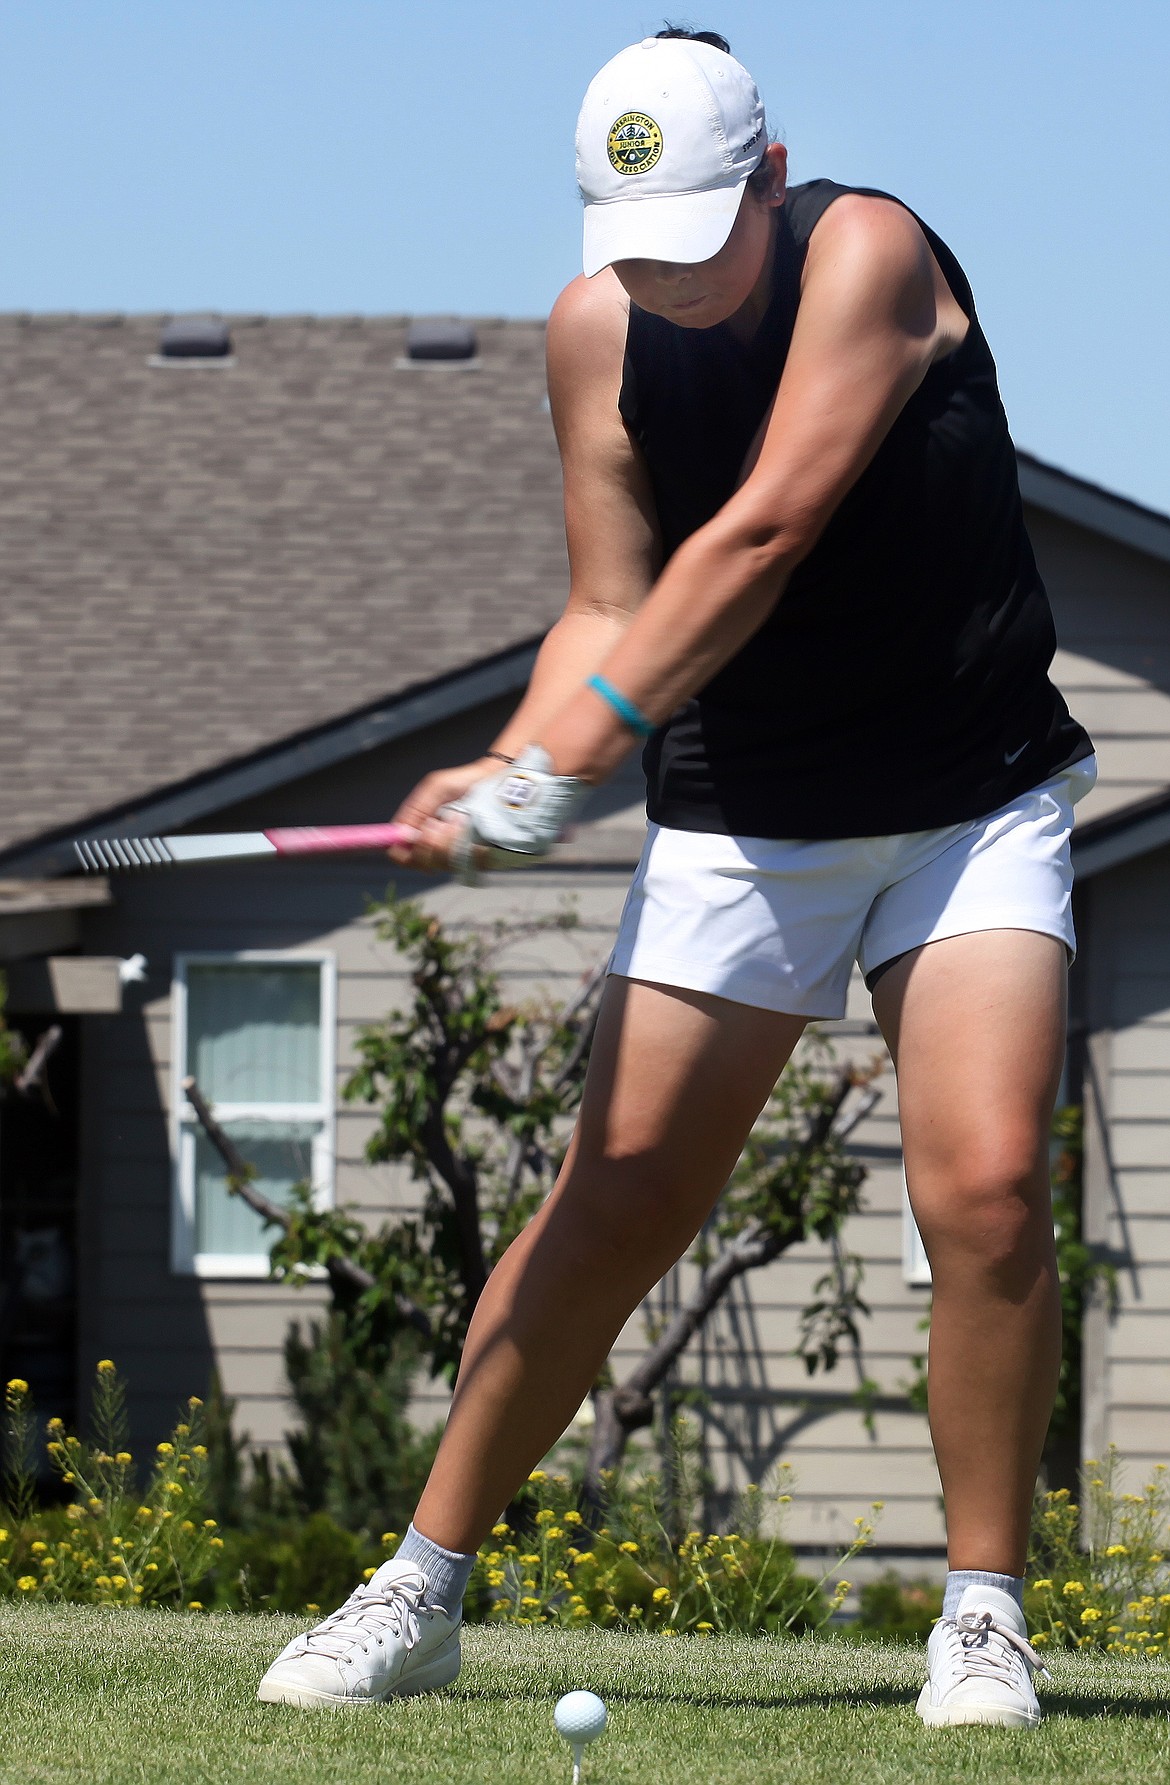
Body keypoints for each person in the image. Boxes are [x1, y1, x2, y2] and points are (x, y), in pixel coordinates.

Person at [258, 29, 1095, 1728]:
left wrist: (573, 755)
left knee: (992, 1188)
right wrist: (513, 762)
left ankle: (983, 1617)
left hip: (966, 796)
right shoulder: (594, 333)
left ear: (772, 184)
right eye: (637, 244)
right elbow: (606, 597)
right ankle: (416, 1587)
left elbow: (762, 533)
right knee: (618, 1194)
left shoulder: (872, 254)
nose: (671, 278)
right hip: (744, 813)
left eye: (704, 236)